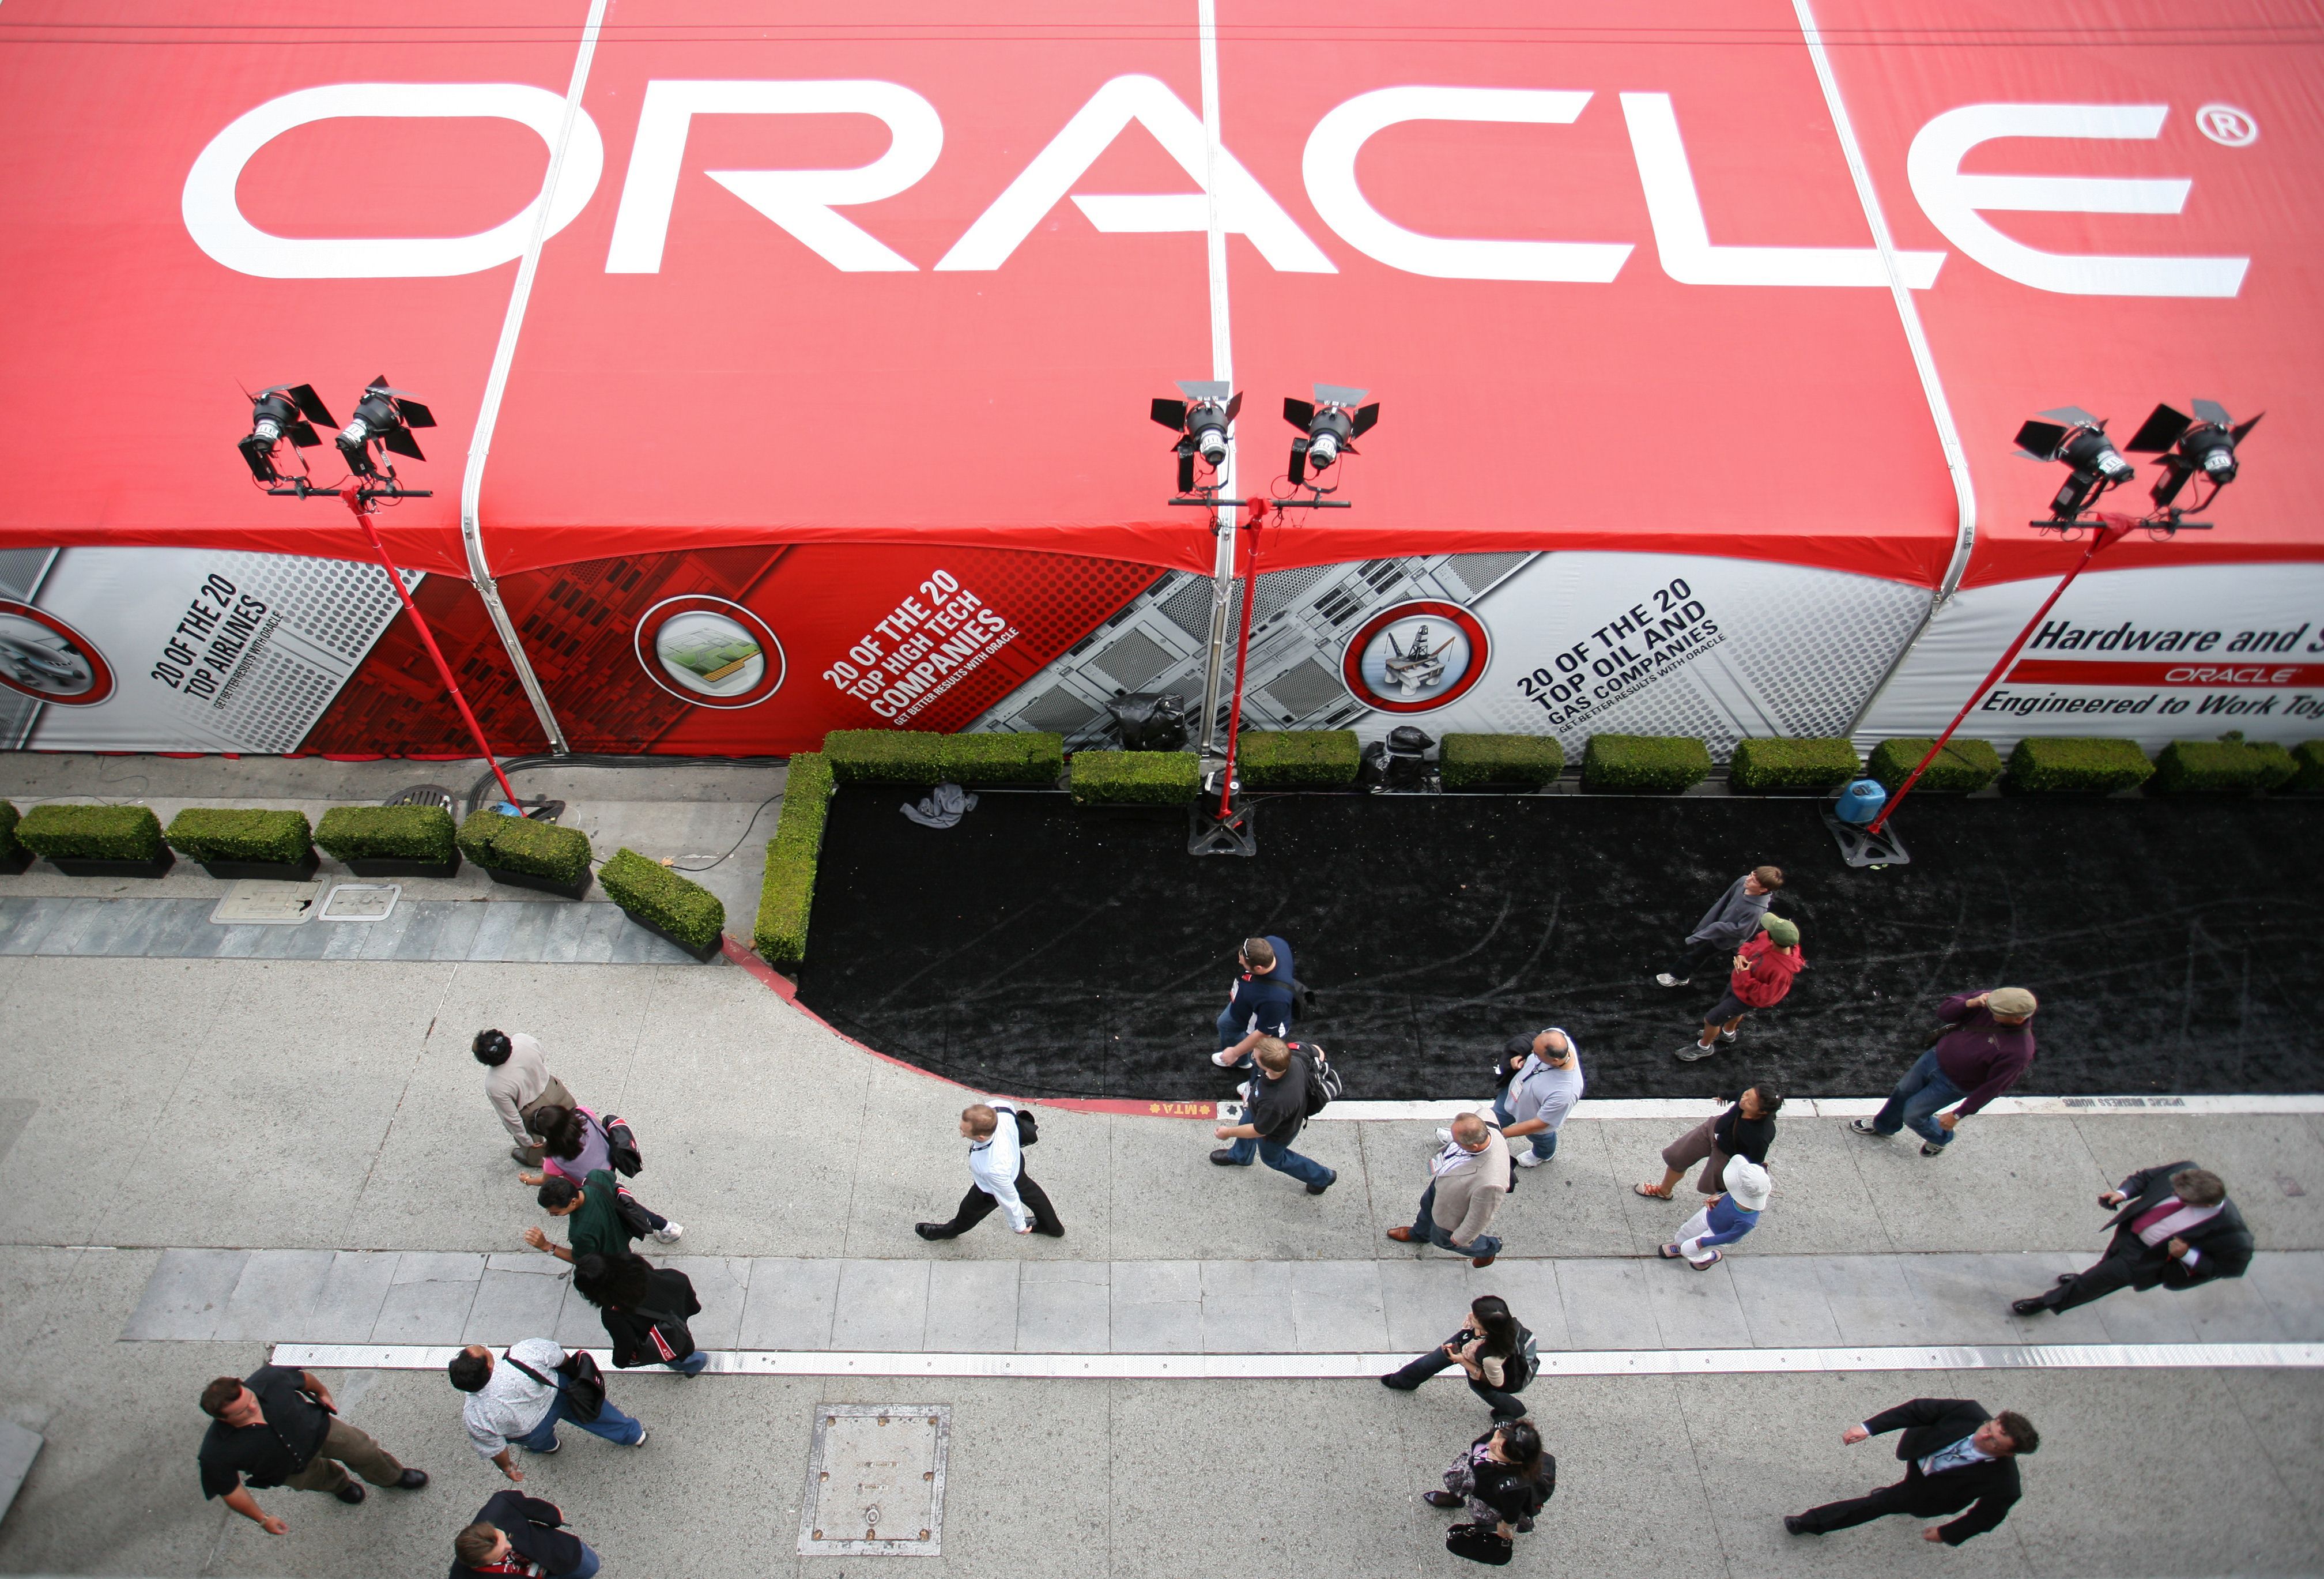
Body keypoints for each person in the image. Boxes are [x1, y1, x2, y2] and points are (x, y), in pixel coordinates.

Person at [197, 1366, 427, 1532]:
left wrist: (323, 1393)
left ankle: (392, 1477)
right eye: (244, 1413)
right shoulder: (216, 1453)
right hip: (290, 1469)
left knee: (364, 1451)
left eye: (252, 1401)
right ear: (224, 1419)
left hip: (320, 1431)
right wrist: (262, 1518)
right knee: (321, 1479)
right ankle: (341, 1486)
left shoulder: (269, 1379)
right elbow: (230, 1491)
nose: (254, 1409)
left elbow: (303, 1379)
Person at [2012, 1162, 2253, 1316]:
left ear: (2208, 1204)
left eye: (2183, 1199)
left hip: (2144, 1260)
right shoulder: (2184, 1172)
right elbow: (2147, 1178)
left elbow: (2228, 1268)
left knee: (2092, 1284)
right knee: (2103, 1269)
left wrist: (2187, 1255)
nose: (2175, 1197)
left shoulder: (2233, 1234)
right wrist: (2122, 1193)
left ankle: (2046, 1303)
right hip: (2129, 1234)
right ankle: (2089, 1279)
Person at [1786, 1399, 2036, 1546]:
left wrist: (1947, 1534)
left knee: (1876, 1505)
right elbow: (1916, 1410)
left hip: (1932, 1495)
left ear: (2008, 1454)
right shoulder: (1968, 1412)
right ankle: (1895, 1496)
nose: (1983, 1437)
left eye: (1994, 1442)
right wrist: (1868, 1428)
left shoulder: (2005, 1484)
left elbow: (1986, 1517)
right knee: (1894, 1496)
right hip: (1919, 1457)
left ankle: (1811, 1522)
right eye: (1988, 1428)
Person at [1850, 988, 2036, 1156]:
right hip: (1933, 1058)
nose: (1991, 1010)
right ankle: (1884, 1127)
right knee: (1902, 1091)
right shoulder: (1992, 1000)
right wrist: (1969, 1003)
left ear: (2019, 1018)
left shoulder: (2019, 1052)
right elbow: (1944, 1012)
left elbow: (1993, 1088)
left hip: (1952, 1085)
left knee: (1913, 1115)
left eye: (1997, 1013)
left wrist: (1959, 1114)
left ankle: (1941, 1137)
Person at [448, 1341, 648, 1471]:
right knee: (598, 1413)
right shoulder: (521, 1354)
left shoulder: (474, 1416)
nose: (484, 1347)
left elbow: (494, 1447)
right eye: (482, 1349)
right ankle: (632, 1435)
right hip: (559, 1393)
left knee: (539, 1441)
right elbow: (559, 1357)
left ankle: (551, 1447)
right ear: (489, 1367)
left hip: (531, 1429)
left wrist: (508, 1468)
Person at [916, 1102, 1065, 1239]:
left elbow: (1009, 1198)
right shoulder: (1001, 1108)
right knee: (1033, 1194)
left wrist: (1018, 1226)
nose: (961, 1132)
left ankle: (949, 1232)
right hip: (1015, 1163)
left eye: (964, 1131)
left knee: (969, 1212)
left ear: (980, 1137)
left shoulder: (991, 1168)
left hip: (990, 1187)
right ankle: (1053, 1228)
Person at [1209, 1037, 1335, 1194]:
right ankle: (1241, 1156)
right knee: (1246, 1121)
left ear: (1268, 1068)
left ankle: (1322, 1177)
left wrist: (1228, 1133)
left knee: (1273, 1159)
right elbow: (1318, 1051)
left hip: (1276, 1132)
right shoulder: (1296, 1053)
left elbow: (1259, 1130)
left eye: (1255, 1058)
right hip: (1259, 1110)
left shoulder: (1276, 1103)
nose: (1253, 1058)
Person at [1381, 1294, 1536, 1421]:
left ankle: (1514, 1410)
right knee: (1430, 1362)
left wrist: (1462, 1360)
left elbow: (1495, 1382)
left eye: (1475, 1318)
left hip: (1478, 1368)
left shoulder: (1492, 1358)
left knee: (1488, 1393)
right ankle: (1403, 1381)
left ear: (1487, 1328)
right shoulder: (1496, 1324)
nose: (1470, 1316)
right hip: (1465, 1344)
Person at [1387, 1112, 1508, 1267]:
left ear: (1474, 1146)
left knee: (1444, 1240)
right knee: (1426, 1207)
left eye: (1456, 1141)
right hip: (1443, 1184)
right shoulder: (1484, 1117)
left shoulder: (1491, 1184)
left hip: (1453, 1209)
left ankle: (1489, 1248)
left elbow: (1480, 1216)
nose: (1452, 1142)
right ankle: (1419, 1234)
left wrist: (1461, 1238)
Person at [1676, 913, 1802, 1061]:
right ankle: (1728, 1034)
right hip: (1737, 984)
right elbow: (1751, 944)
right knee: (1728, 1011)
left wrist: (1744, 975)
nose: (1764, 930)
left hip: (1746, 998)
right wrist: (1742, 955)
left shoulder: (1782, 971)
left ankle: (1704, 1047)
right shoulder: (1766, 937)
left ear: (1773, 940)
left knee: (1711, 1019)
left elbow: (1766, 998)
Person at [1423, 1418, 1554, 1548]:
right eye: (1498, 1435)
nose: (1492, 1444)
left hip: (1486, 1498)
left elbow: (1512, 1510)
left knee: (1480, 1516)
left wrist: (1505, 1528)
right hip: (1471, 1469)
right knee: (1453, 1479)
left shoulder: (1515, 1487)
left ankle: (1455, 1498)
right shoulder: (1507, 1434)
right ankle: (1454, 1497)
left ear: (1515, 1462)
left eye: (1499, 1451)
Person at [574, 1250, 711, 1373]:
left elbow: (626, 1343)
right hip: (673, 1309)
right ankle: (691, 1358)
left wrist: (620, 1362)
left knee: (675, 1350)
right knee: (683, 1335)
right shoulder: (631, 1261)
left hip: (662, 1333)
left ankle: (692, 1363)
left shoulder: (613, 1314)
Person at [1636, 1086, 1781, 1201]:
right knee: (1678, 1156)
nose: (1744, 1099)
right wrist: (1726, 1096)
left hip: (1728, 1155)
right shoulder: (1748, 1094)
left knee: (1720, 1188)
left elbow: (1753, 1165)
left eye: (1750, 1102)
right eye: (1748, 1093)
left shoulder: (1760, 1136)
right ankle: (1664, 1191)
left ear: (1762, 1112)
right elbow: (1740, 1092)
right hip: (1714, 1129)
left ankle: (1720, 1206)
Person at [1655, 865, 1782, 987]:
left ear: (1763, 890)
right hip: (1717, 927)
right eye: (1751, 875)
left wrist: (1717, 927)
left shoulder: (1757, 910)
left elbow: (1743, 932)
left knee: (1696, 955)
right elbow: (1726, 900)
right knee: (1708, 950)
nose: (1748, 879)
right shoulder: (1742, 882)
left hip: (1725, 937)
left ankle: (1679, 977)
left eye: (1754, 881)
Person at [522, 1168, 681, 1265]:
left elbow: (580, 1259)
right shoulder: (596, 1177)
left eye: (556, 1212)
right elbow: (610, 1178)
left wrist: (546, 1246)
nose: (551, 1215)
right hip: (625, 1232)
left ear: (573, 1202)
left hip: (611, 1260)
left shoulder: (582, 1232)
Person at [476, 1027, 575, 1167]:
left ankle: (537, 1160)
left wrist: (526, 1140)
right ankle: (577, 1139)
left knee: (534, 1142)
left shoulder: (494, 1084)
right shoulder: (523, 1040)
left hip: (531, 1110)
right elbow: (541, 1055)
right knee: (572, 1116)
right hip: (552, 1088)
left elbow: (511, 1118)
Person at [1489, 1027, 1583, 1169]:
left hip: (1531, 1117)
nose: (1533, 1052)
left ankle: (1544, 1154)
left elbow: (1541, 1123)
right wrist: (1523, 1055)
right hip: (1513, 1095)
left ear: (1555, 1060)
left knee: (1541, 1138)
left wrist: (1503, 1134)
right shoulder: (1555, 1034)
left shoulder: (1565, 1093)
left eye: (1537, 1054)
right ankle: (1474, 1132)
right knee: (1494, 1117)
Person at [452, 1490, 601, 1578]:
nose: (510, 1546)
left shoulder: (500, 1506)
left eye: (505, 1539)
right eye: (500, 1554)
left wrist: (553, 1516)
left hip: (558, 1553)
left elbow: (532, 1507)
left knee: (591, 1566)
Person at [1658, 1155, 1770, 1268]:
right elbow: (1727, 1193)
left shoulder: (1748, 1222)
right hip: (1708, 1215)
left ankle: (1710, 1257)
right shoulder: (1738, 1194)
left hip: (1716, 1234)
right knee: (1685, 1233)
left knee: (1688, 1250)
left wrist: (1704, 1242)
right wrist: (1719, 1196)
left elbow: (1730, 1237)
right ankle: (1679, 1246)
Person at [1211, 934, 1295, 1072]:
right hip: (1245, 1006)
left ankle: (1253, 1085)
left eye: (1243, 964)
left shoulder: (1275, 999)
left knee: (1261, 1059)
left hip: (1262, 1021)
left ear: (1259, 968)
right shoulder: (1275, 943)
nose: (1240, 963)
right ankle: (1240, 1062)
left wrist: (1235, 1052)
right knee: (1225, 1025)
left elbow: (1263, 1033)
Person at [518, 1104, 612, 1188]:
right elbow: (598, 1125)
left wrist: (527, 1180)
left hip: (595, 1184)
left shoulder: (554, 1160)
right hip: (610, 1161)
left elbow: (545, 1181)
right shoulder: (582, 1113)